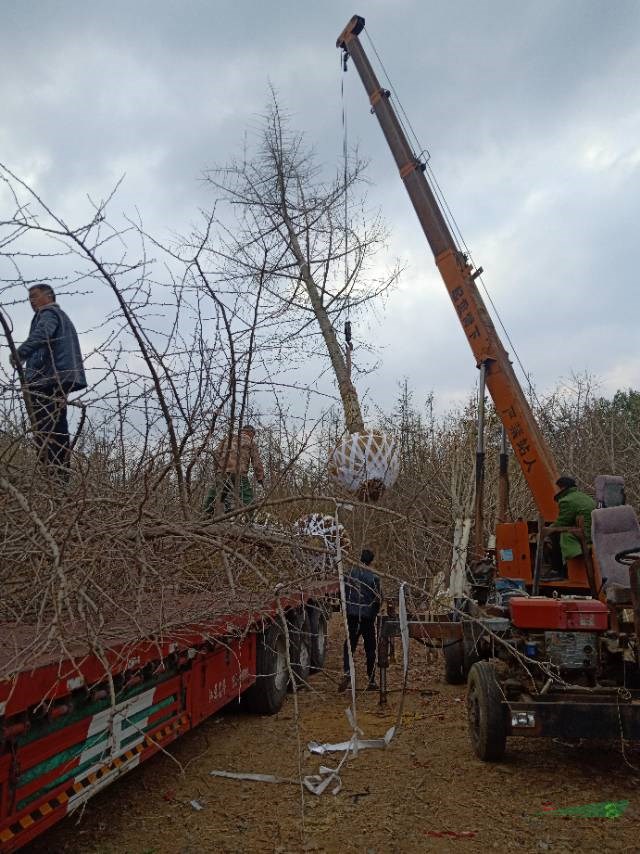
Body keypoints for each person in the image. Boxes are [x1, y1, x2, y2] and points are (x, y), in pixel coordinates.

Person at [10, 284, 86, 476]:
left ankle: (53, 476)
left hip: (48, 379)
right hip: (59, 378)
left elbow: (43, 334)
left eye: (35, 296)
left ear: (49, 296)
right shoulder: (61, 317)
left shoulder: (48, 313)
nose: (32, 301)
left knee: (46, 430)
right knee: (56, 427)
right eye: (29, 298)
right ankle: (58, 477)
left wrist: (20, 354)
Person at [339, 549, 382, 692]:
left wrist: (346, 610)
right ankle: (371, 680)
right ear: (371, 561)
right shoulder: (374, 578)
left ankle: (347, 672)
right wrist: (373, 614)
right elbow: (377, 599)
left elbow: (343, 594)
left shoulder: (349, 574)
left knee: (349, 645)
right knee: (370, 648)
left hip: (352, 615)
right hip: (367, 617)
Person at [203, 424, 265, 514]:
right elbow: (256, 461)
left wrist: (217, 471)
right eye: (253, 434)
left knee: (214, 497)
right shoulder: (250, 442)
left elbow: (216, 454)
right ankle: (249, 522)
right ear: (251, 433)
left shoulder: (227, 439)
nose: (253, 436)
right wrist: (260, 477)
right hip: (239, 474)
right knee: (247, 499)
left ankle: (203, 519)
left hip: (222, 472)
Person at [545, 476, 596, 579]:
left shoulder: (566, 501)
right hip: (593, 533)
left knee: (555, 534)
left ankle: (557, 570)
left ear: (562, 488)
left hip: (584, 535)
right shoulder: (585, 497)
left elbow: (561, 523)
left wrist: (546, 531)